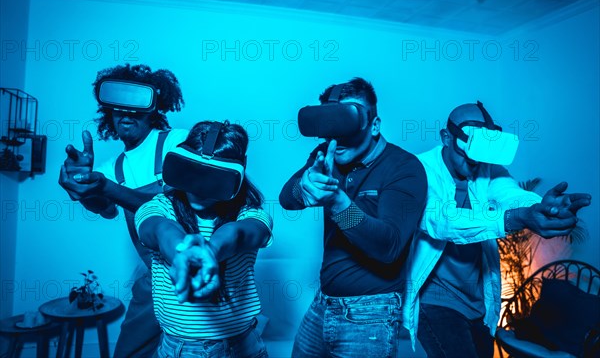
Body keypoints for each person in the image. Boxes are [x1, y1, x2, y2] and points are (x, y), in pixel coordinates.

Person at [403, 101, 592, 358]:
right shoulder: (419, 169)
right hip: (434, 299)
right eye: (466, 153)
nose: (474, 161)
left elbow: (511, 195)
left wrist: (542, 208)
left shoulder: (488, 169)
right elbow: (442, 222)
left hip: (477, 303)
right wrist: (515, 219)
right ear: (446, 137)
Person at [279, 78, 428, 357]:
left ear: (374, 125)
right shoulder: (327, 154)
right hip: (323, 302)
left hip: (371, 312)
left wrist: (337, 202)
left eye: (347, 120)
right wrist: (306, 186)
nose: (338, 137)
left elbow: (389, 247)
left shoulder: (404, 168)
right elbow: (287, 199)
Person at [58, 64, 187, 357]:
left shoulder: (178, 142)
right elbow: (104, 209)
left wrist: (106, 188)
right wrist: (82, 188)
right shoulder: (110, 170)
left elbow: (175, 207)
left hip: (199, 272)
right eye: (118, 107)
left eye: (135, 105)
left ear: (153, 107)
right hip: (155, 280)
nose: (126, 113)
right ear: (109, 112)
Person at [134, 120, 273, 358]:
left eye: (213, 178)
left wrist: (211, 251)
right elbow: (160, 229)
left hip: (242, 345)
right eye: (193, 173)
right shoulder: (159, 207)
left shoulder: (251, 214)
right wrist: (182, 253)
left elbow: (238, 233)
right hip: (180, 348)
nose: (199, 189)